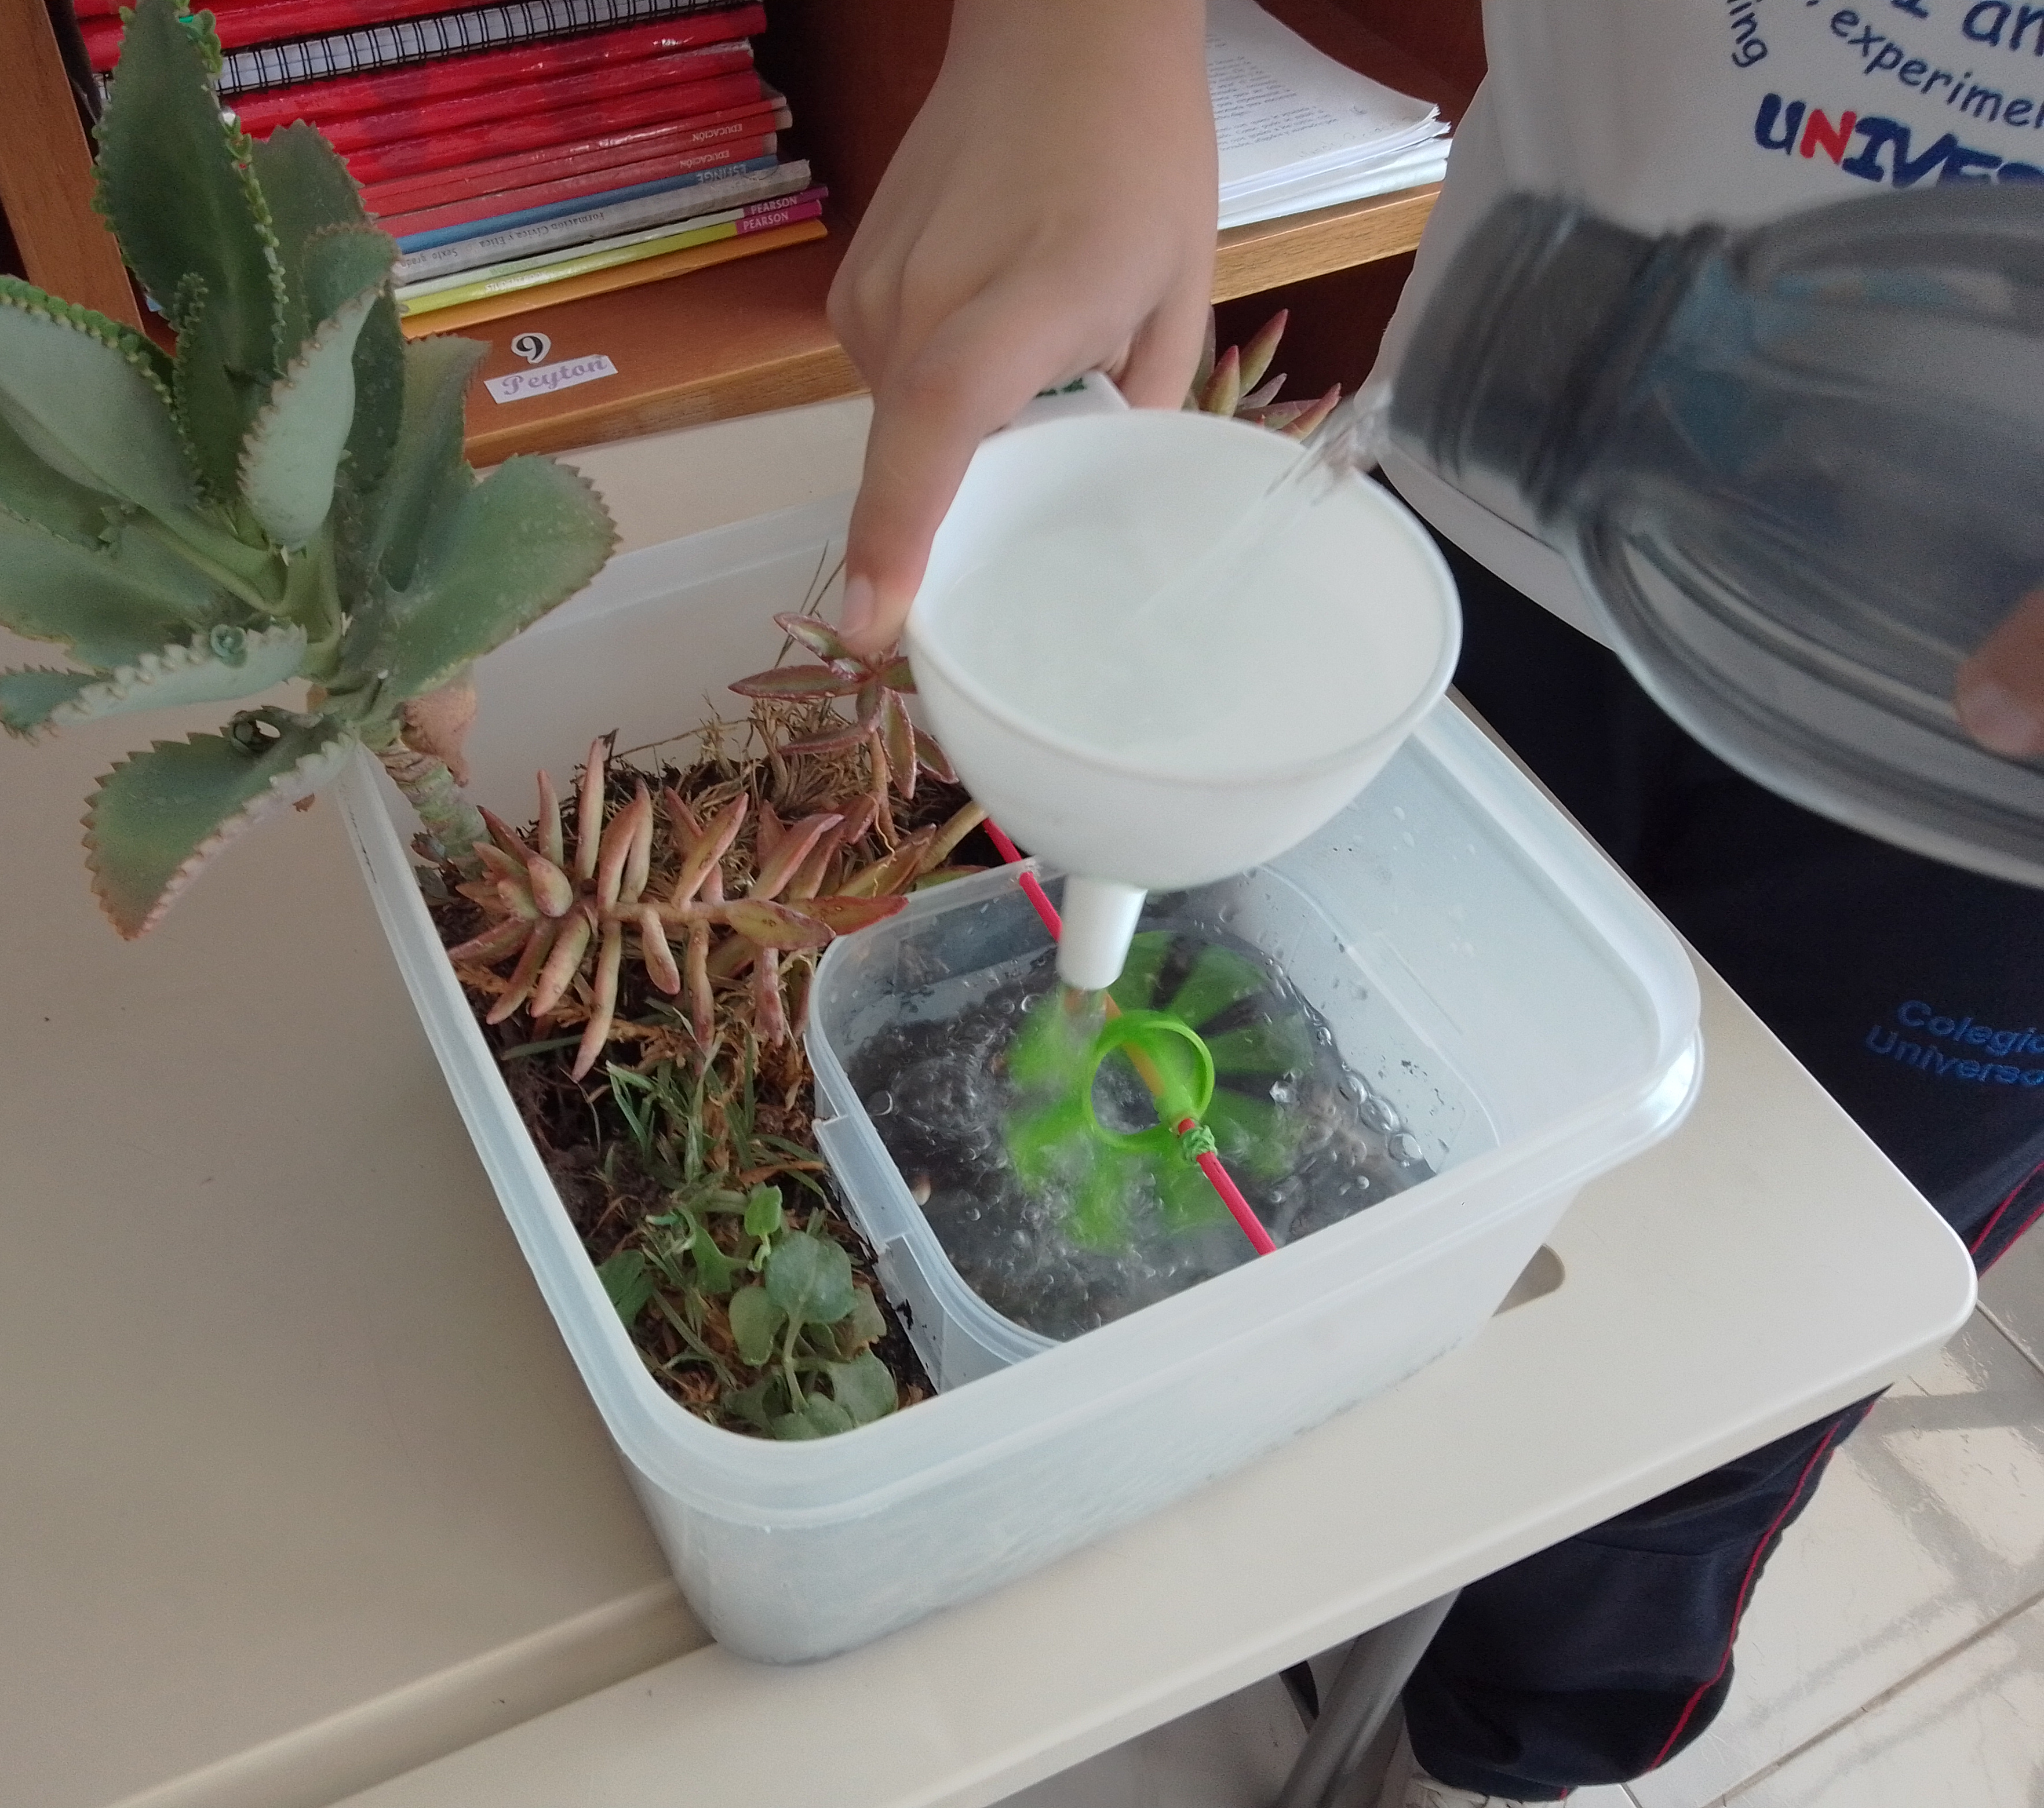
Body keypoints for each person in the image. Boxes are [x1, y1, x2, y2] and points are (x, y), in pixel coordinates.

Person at [828, 3, 2044, 1803]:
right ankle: (1253, 1563)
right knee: (1316, 1104)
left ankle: (1503, 1749)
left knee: (1714, 1358)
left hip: (1985, 829)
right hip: (1507, 482)